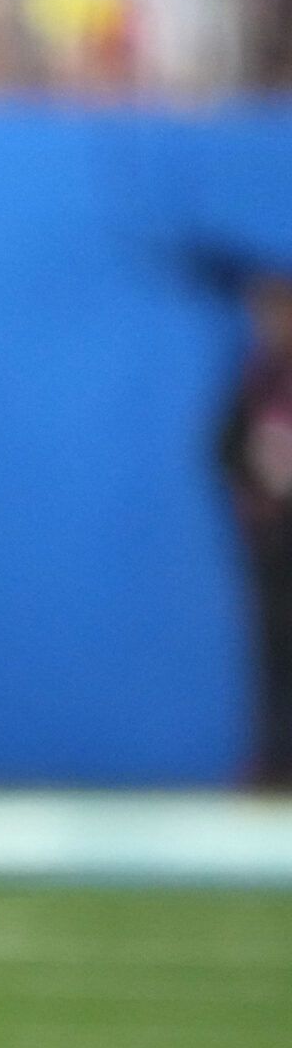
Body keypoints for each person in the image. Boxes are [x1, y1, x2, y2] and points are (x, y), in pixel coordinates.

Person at [220, 273, 292, 785]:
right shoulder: (256, 374)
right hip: (272, 540)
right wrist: (256, 489)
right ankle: (273, 764)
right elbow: (224, 447)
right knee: (273, 652)